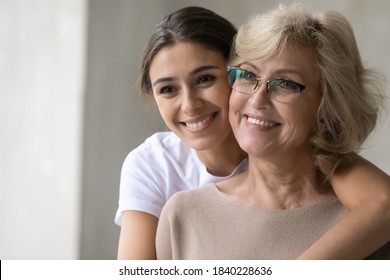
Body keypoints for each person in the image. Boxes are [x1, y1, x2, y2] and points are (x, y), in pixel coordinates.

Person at [117, 6, 390, 260]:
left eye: (285, 83)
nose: (257, 100)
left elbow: (382, 202)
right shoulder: (175, 204)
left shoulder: (364, 218)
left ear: (328, 108)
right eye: (248, 76)